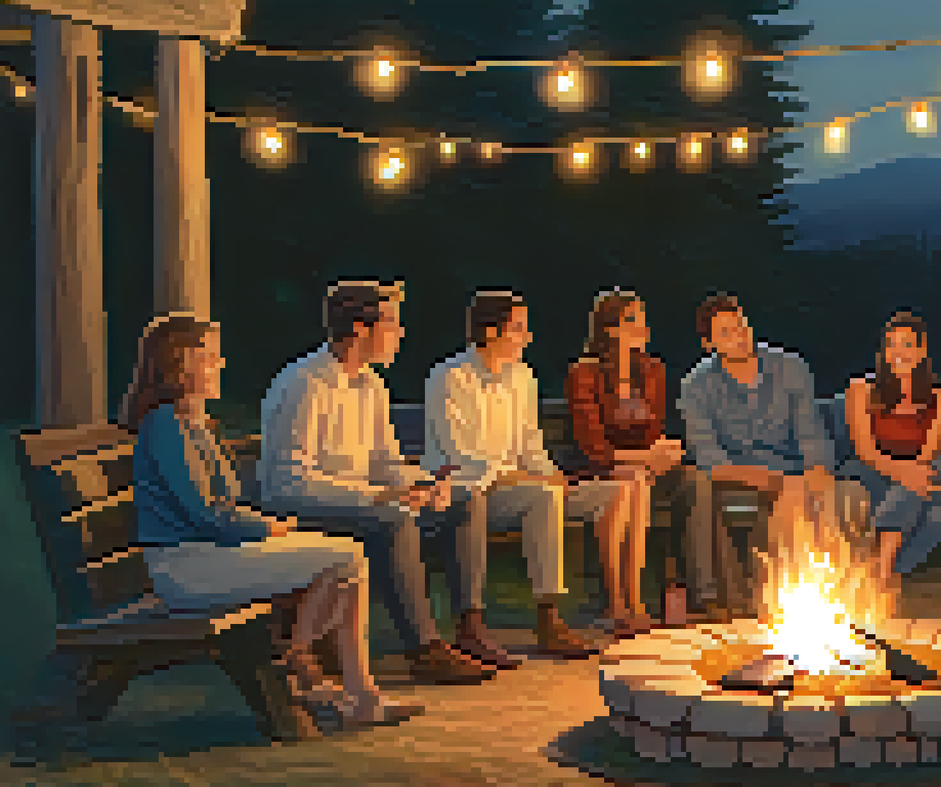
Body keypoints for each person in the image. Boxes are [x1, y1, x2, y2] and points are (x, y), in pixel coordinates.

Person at [126, 313, 423, 730]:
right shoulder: (165, 427)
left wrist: (267, 528)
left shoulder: (191, 424)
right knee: (343, 559)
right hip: (186, 566)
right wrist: (269, 528)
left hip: (209, 554)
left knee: (347, 558)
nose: (219, 365)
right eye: (209, 358)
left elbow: (217, 506)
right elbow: (205, 514)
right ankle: (308, 667)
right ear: (179, 363)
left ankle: (334, 679)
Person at [259, 281, 496, 684]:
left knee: (464, 500)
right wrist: (381, 496)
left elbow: (385, 462)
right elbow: (287, 483)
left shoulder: (371, 384)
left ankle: (469, 626)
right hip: (303, 511)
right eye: (391, 323)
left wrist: (423, 484)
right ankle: (423, 649)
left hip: (359, 505)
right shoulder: (304, 383)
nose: (400, 333)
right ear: (359, 328)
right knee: (393, 519)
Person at [422, 290, 626, 652]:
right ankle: (547, 620)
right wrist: (534, 480)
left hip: (520, 492)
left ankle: (618, 606)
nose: (526, 338)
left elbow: (531, 444)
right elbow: (461, 459)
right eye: (517, 330)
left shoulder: (522, 378)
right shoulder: (450, 378)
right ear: (489, 332)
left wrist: (552, 474)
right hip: (469, 495)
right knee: (541, 496)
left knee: (613, 491)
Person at [678, 292, 870, 618]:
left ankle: (841, 601)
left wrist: (815, 475)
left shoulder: (790, 368)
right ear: (709, 344)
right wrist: (775, 482)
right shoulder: (697, 384)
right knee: (705, 485)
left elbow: (811, 434)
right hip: (738, 478)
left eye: (741, 326)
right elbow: (708, 456)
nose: (739, 336)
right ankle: (744, 600)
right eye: (726, 333)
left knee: (847, 496)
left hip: (795, 471)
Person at [566, 289, 690, 632]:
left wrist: (662, 450)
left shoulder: (652, 371)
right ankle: (618, 602)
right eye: (634, 320)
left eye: (643, 319)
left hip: (642, 470)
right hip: (599, 470)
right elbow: (593, 447)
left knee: (637, 481)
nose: (644, 328)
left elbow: (653, 431)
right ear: (611, 329)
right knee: (629, 483)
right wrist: (644, 458)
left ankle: (632, 602)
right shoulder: (585, 374)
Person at [838, 310, 941, 589]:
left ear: (921, 350)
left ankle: (880, 569)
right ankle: (883, 576)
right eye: (891, 344)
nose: (898, 352)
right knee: (917, 484)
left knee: (934, 507)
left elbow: (929, 451)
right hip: (869, 470)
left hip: (922, 469)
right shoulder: (860, 388)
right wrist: (903, 473)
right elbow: (864, 450)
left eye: (906, 344)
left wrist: (909, 476)